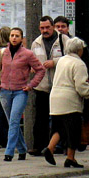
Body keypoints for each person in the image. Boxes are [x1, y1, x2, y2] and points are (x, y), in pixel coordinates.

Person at [0, 28, 45, 161]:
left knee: (15, 119)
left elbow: (40, 70)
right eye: (12, 35)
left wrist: (31, 85)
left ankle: (9, 152)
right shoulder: (3, 52)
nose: (14, 38)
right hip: (4, 91)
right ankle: (21, 149)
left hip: (20, 91)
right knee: (12, 122)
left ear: (21, 38)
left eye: (17, 36)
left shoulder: (28, 54)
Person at [42, 37, 89, 168]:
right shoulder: (79, 64)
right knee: (73, 130)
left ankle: (49, 148)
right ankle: (70, 158)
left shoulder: (61, 61)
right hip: (70, 100)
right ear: (79, 50)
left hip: (55, 98)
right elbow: (81, 86)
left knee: (59, 127)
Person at [29, 16, 69, 155]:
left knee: (60, 118)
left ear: (53, 27)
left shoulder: (64, 40)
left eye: (47, 27)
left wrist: (55, 62)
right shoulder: (36, 43)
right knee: (40, 118)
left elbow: (71, 58)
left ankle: (60, 146)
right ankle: (39, 146)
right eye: (42, 28)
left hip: (60, 85)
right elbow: (32, 60)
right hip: (42, 85)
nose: (45, 30)